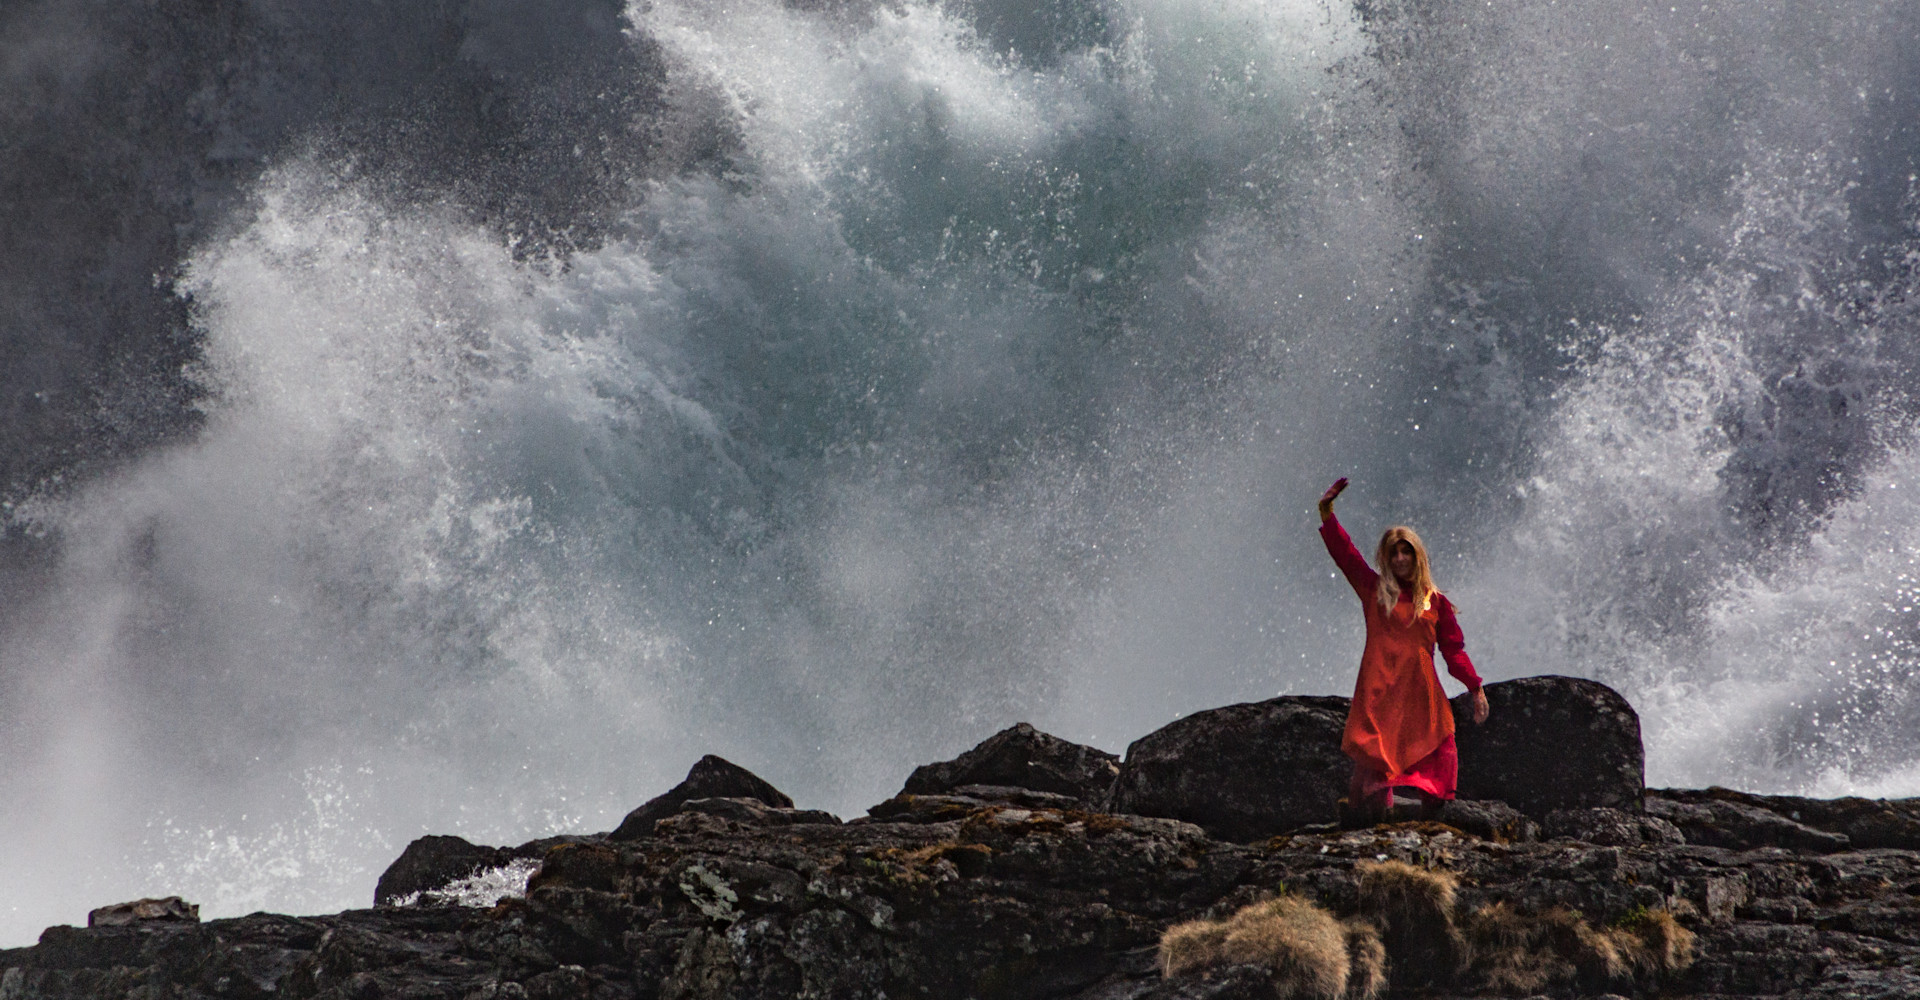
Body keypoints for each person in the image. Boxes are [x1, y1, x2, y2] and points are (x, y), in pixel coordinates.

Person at [1317, 477, 1489, 823]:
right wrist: (1327, 515)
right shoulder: (1373, 589)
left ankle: (1432, 820)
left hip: (1419, 689)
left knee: (1440, 742)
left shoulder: (1435, 601)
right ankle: (1369, 817)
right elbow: (1347, 557)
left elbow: (1453, 651)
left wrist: (1475, 687)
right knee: (1375, 759)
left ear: (1416, 556)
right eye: (1393, 552)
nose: (1399, 558)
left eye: (1406, 551)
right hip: (1380, 687)